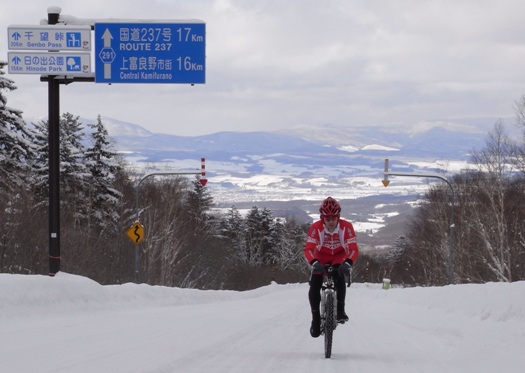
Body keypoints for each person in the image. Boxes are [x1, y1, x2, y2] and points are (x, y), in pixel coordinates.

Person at [304, 196, 359, 338]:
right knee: (315, 285)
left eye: (333, 218)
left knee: (339, 276)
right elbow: (309, 249)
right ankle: (315, 319)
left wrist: (348, 263)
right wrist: (314, 262)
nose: (330, 221)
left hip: (339, 256)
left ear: (338, 216)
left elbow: (353, 249)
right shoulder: (316, 228)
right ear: (322, 217)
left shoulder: (346, 227)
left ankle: (340, 310)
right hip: (321, 256)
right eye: (327, 218)